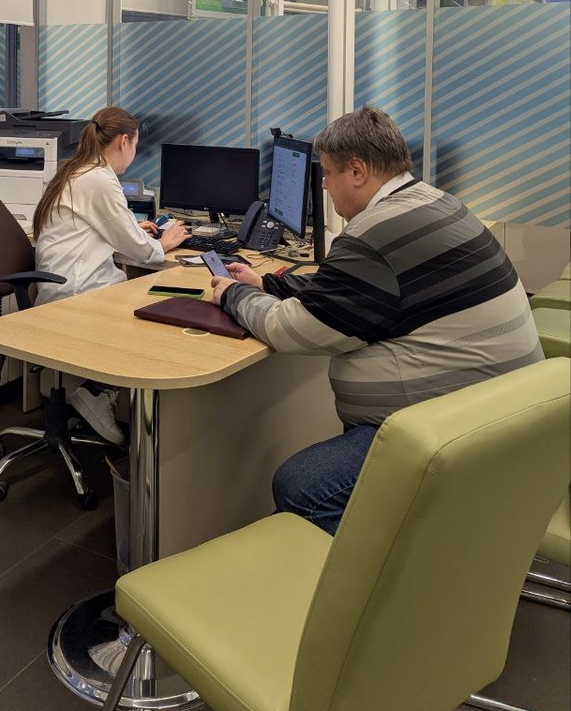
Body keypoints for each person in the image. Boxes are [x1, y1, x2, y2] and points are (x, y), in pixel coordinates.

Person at [208, 105, 544, 535]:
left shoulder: (373, 234)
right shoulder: (431, 201)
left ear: (357, 171)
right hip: (508, 415)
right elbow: (360, 291)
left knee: (303, 484)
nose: (323, 185)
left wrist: (232, 294)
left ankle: (371, 573)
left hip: (463, 432)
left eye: (328, 173)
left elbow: (288, 330)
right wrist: (269, 284)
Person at [33, 106, 190, 443]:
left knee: (145, 296)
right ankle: (99, 393)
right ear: (123, 142)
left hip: (62, 284)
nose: (133, 154)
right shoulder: (100, 179)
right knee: (155, 313)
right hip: (75, 292)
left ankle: (99, 390)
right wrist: (165, 242)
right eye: (135, 145)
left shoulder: (78, 169)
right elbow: (141, 251)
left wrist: (133, 228)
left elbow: (100, 224)